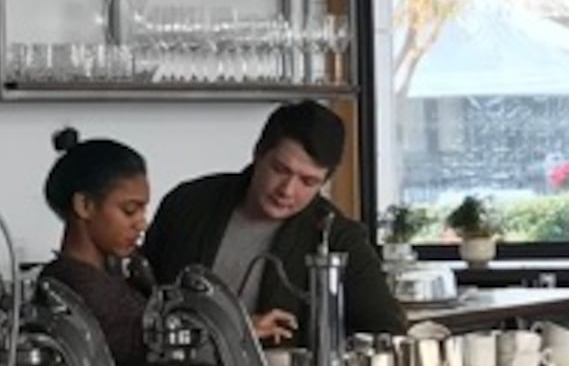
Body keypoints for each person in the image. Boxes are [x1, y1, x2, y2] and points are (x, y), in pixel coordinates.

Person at [141, 101, 405, 346]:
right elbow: (138, 305)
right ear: (257, 153)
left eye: (308, 181)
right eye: (280, 170)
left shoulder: (338, 237)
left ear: (325, 183)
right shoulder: (188, 204)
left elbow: (386, 330)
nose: (287, 190)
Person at [38, 130, 155, 366]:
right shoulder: (72, 286)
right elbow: (137, 360)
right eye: (130, 210)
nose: (142, 223)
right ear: (85, 205)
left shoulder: (116, 276)